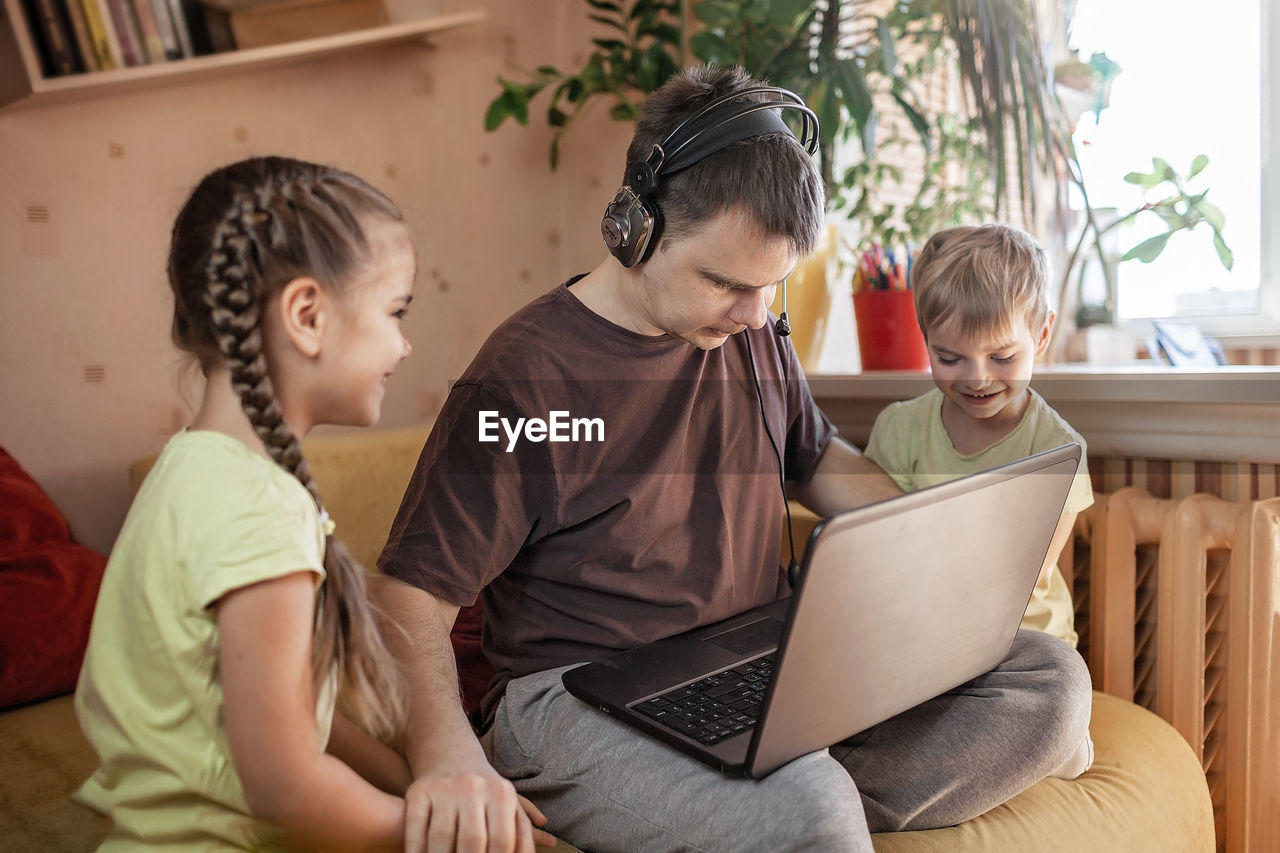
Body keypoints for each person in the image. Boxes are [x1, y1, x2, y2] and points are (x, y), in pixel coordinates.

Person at [375, 67, 1093, 852]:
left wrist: (939, 560)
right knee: (810, 810)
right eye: (725, 282)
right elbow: (411, 596)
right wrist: (444, 753)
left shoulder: (751, 335)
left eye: (773, 287)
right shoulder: (525, 380)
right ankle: (795, 802)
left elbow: (818, 460)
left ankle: (772, 793)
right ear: (633, 229)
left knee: (1047, 682)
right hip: (578, 698)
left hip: (760, 661)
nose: (756, 314)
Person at [73, 156, 551, 852]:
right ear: (306, 314)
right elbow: (284, 781)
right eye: (395, 311)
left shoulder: (194, 470)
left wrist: (428, 789)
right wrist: (449, 837)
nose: (405, 342)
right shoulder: (256, 509)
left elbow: (300, 717)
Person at [863, 224, 1095, 649]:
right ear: (926, 339)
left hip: (1027, 642)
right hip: (924, 633)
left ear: (1042, 335)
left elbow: (1028, 574)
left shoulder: (1060, 451)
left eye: (1002, 357)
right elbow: (881, 554)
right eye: (950, 358)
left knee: (1058, 690)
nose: (978, 378)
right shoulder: (900, 430)